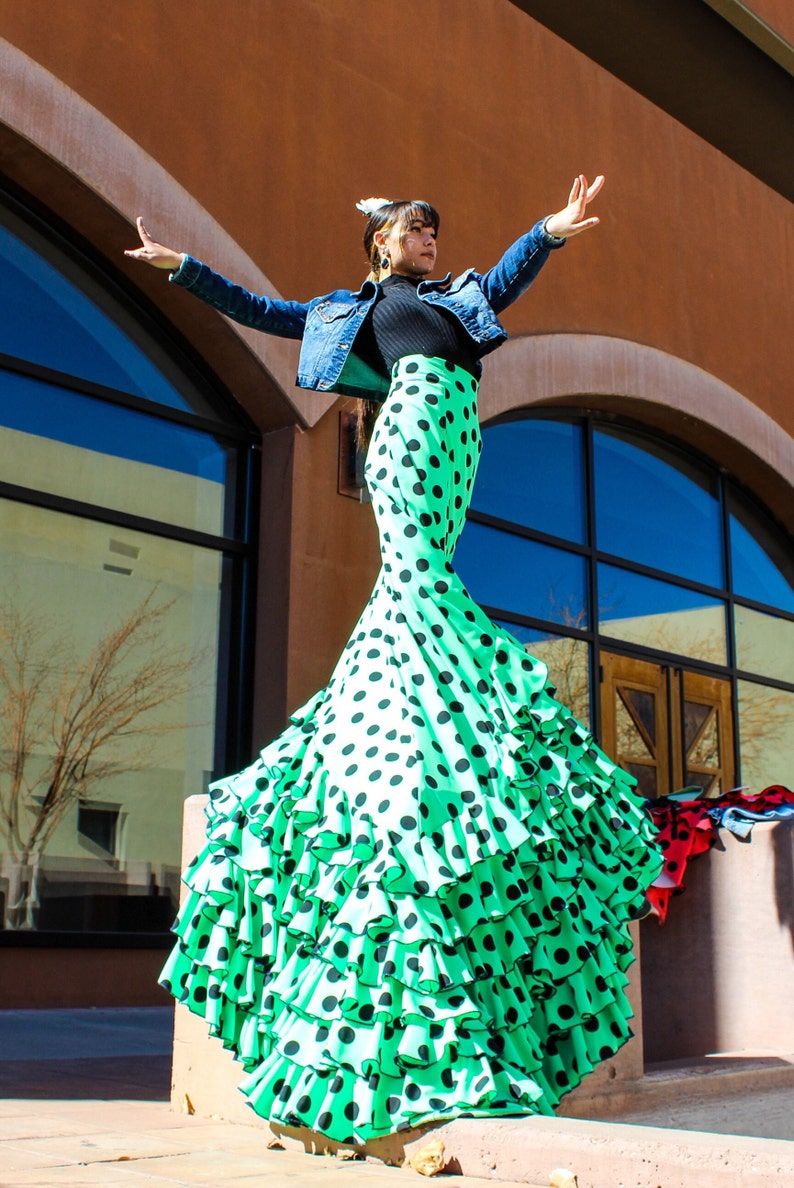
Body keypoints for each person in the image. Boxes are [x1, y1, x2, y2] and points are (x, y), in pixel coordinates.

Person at [125, 179, 661, 1145]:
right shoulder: (347, 310)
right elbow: (260, 311)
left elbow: (503, 280)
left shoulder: (455, 297)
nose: (428, 239)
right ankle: (410, 686)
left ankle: (425, 674)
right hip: (408, 425)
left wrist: (547, 230)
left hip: (457, 432)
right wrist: (182, 268)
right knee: (413, 569)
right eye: (415, 229)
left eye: (433, 230)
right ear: (381, 244)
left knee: (433, 566)